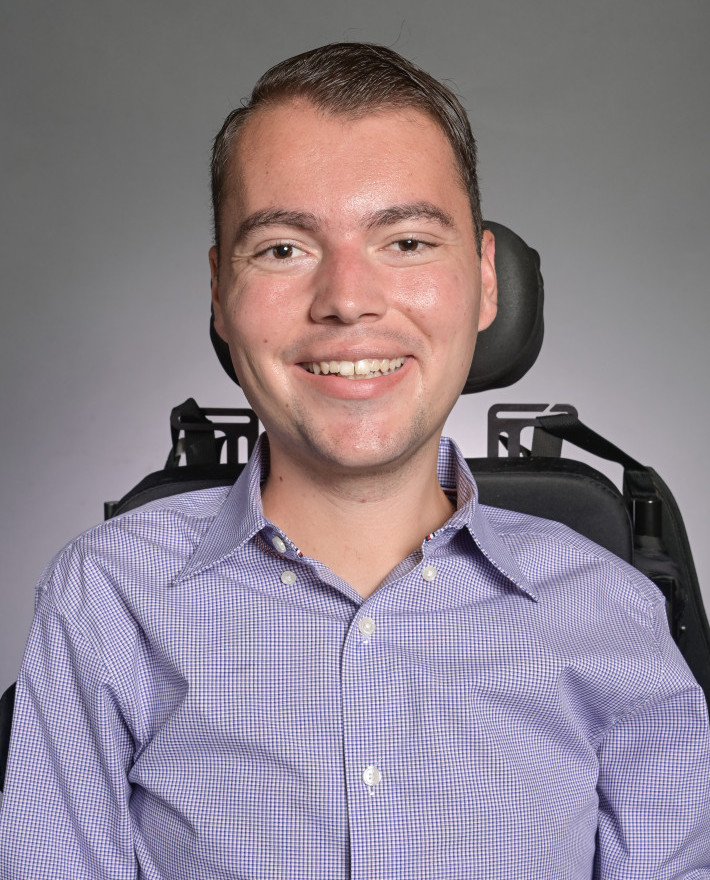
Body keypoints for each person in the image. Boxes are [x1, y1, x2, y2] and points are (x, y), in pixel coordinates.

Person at [1, 42, 709, 880]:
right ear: (220, 295)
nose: (346, 298)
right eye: (282, 249)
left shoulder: (615, 617)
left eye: (406, 242)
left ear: (484, 280)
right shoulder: (105, 602)